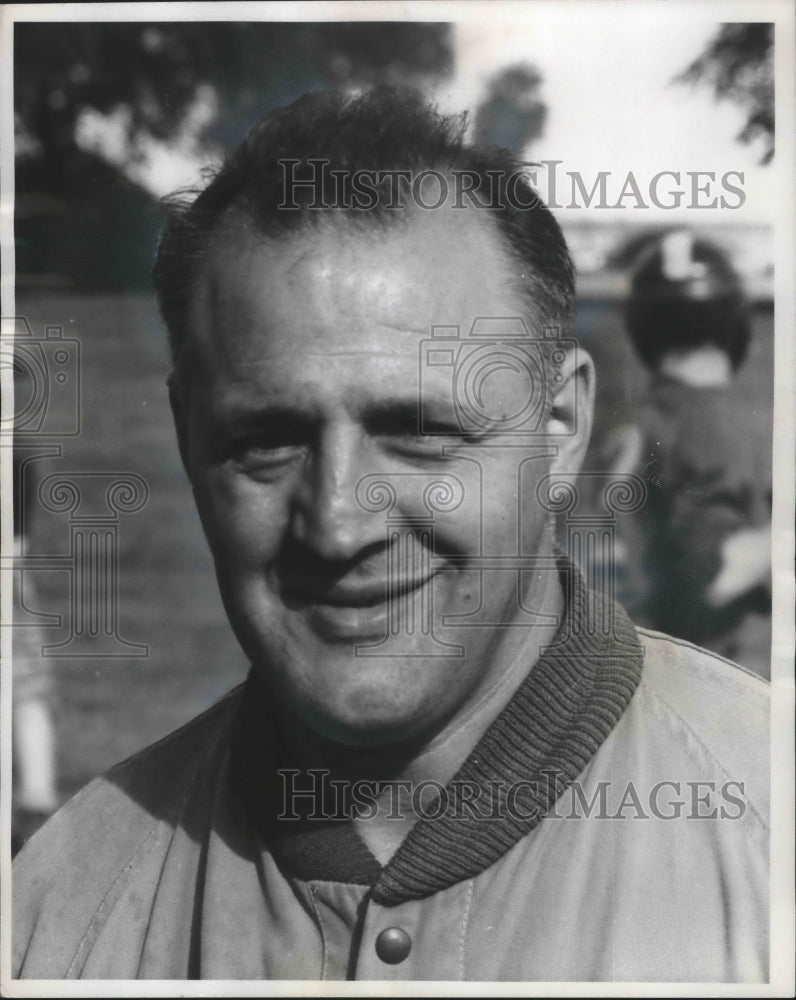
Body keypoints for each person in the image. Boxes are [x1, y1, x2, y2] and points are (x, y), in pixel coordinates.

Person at [13, 89, 768, 982]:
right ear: (188, 435)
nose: (337, 523)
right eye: (267, 441)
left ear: (560, 427)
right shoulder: (52, 908)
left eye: (419, 430)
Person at [607, 229, 772, 678]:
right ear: (732, 321)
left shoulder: (647, 419)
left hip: (627, 665)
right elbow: (711, 577)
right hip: (694, 679)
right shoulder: (714, 423)